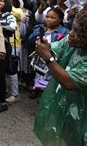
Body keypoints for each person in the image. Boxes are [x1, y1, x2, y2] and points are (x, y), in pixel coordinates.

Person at [33, 9, 87, 146]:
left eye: (76, 32)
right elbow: (55, 47)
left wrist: (48, 57)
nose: (71, 33)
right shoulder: (73, 42)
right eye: (72, 28)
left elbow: (69, 82)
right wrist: (45, 47)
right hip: (69, 108)